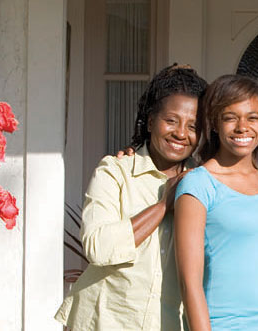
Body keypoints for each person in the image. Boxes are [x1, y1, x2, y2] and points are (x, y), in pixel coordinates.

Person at [55, 64, 207, 330]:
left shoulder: (203, 184)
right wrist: (163, 205)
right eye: (171, 121)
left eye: (193, 126)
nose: (181, 133)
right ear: (150, 121)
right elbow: (97, 247)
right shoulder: (115, 171)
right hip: (105, 320)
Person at [173, 75, 258, 331]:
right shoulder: (198, 185)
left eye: (252, 117)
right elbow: (189, 283)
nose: (242, 127)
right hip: (228, 324)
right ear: (214, 124)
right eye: (230, 117)